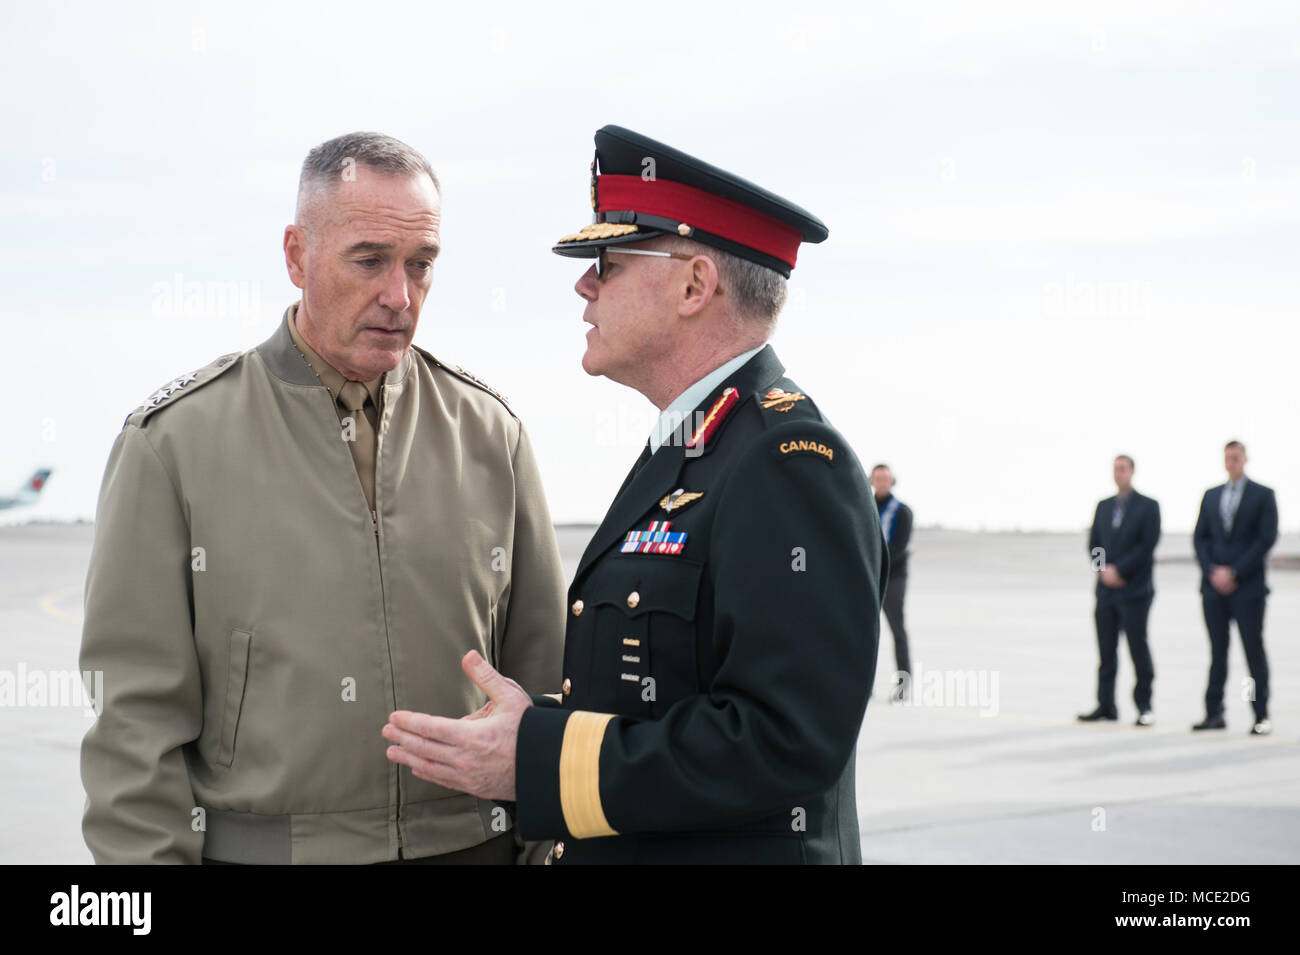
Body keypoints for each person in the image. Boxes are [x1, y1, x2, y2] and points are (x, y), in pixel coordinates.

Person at [384, 124, 888, 864]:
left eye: (608, 263)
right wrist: (530, 729)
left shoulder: (786, 461)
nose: (584, 285)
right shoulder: (695, 448)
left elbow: (784, 740)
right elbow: (662, 701)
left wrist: (539, 758)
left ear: (694, 285)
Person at [78, 132, 565, 864]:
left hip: (471, 848)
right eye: (369, 260)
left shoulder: (491, 434)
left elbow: (545, 675)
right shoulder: (173, 442)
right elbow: (133, 732)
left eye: (421, 266)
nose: (399, 296)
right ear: (296, 254)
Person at [1192, 441, 1278, 735]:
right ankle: (1214, 713)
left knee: (1252, 652)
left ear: (1245, 459)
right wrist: (1211, 571)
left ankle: (1259, 713)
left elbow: (1265, 539)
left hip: (1248, 589)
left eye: (1236, 458)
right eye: (1227, 458)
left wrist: (1236, 572)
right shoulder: (1211, 495)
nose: (1232, 463)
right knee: (1217, 653)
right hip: (1214, 589)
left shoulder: (1263, 495)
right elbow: (1200, 538)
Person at [1077, 454, 1160, 726]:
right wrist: (1103, 570)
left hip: (1134, 591)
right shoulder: (1103, 506)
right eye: (1115, 469)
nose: (1119, 473)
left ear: (1132, 472)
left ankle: (1144, 706)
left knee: (1138, 648)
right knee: (1106, 652)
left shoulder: (1148, 507)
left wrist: (1120, 571)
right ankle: (1106, 705)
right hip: (1106, 592)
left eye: (1123, 469)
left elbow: (1146, 547)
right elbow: (1095, 544)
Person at [870, 464, 913, 700]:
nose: (882, 482)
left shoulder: (903, 511)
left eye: (885, 478)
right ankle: (866, 686)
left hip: (894, 577)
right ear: (872, 480)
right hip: (871, 576)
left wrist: (879, 562)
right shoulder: (864, 505)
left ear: (892, 481)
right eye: (878, 478)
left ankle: (903, 685)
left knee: (897, 630)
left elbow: (899, 547)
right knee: (867, 631)